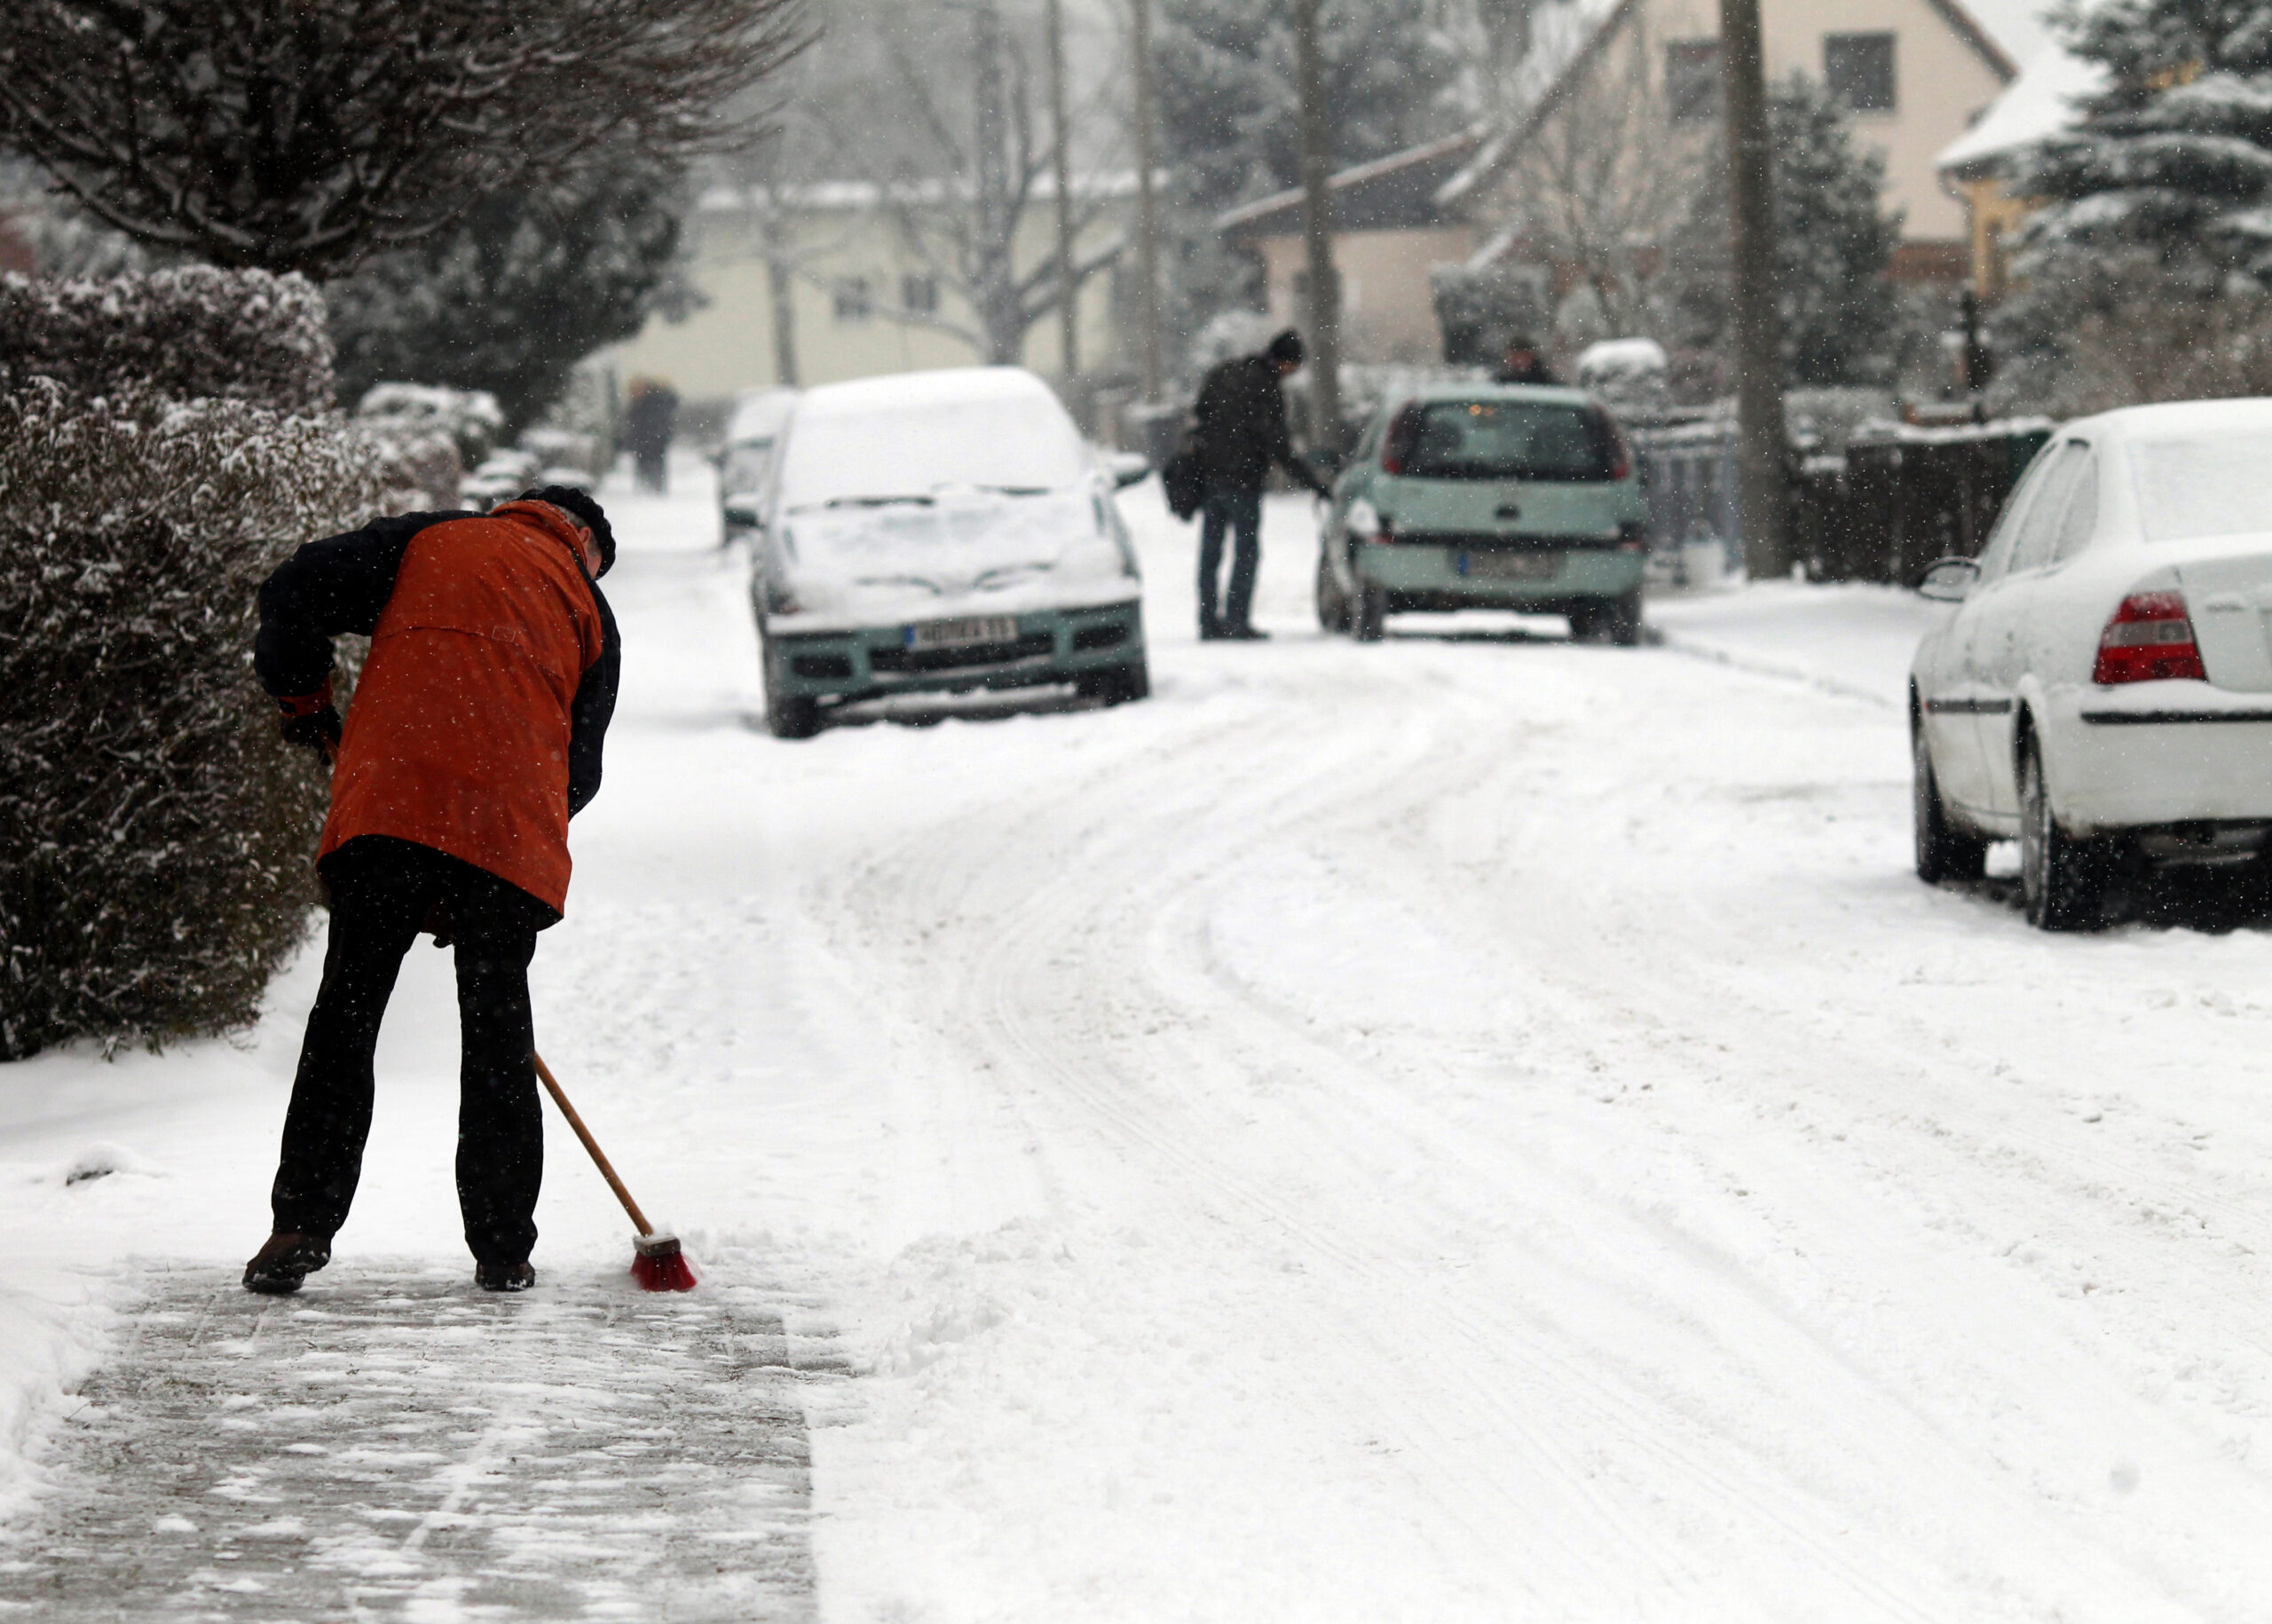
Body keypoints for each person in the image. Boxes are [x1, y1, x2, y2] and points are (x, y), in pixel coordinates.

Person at [242, 486, 621, 1297]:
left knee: (346, 1016)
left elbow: (293, 588)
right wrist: (495, 852)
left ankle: (299, 1225)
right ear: (587, 547)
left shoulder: (428, 541)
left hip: (391, 802)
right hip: (503, 835)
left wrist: (306, 702)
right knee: (497, 1036)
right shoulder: (590, 610)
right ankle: (503, 1248)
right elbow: (578, 772)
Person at [1188, 328, 1329, 641]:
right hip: (1243, 481)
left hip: (1211, 478)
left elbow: (1199, 417)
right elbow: (1278, 445)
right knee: (1246, 552)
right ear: (1285, 362)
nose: (1294, 374)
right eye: (1295, 366)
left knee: (1210, 553)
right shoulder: (1266, 388)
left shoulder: (1224, 374)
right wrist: (1314, 483)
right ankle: (1237, 621)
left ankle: (1208, 621)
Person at [623, 377, 679, 493]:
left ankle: (653, 486)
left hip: (652, 439)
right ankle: (651, 486)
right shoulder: (644, 402)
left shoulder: (651, 402)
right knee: (650, 463)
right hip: (649, 439)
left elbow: (641, 421)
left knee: (653, 463)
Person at [1494, 334, 1560, 387]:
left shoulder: (1546, 382)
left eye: (1521, 356)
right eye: (1512, 355)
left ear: (1531, 356)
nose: (1517, 360)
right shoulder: (1500, 380)